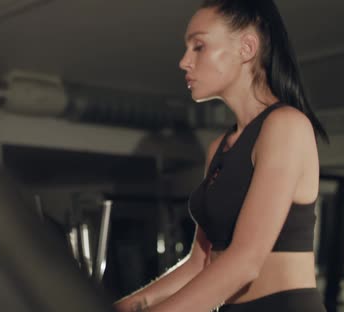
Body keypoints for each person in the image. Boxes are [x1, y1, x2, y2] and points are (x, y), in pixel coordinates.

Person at [114, 0, 328, 311]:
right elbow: (200, 264)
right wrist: (130, 304)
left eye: (198, 46)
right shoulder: (219, 148)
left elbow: (245, 261)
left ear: (246, 48)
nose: (184, 62)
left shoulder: (286, 126)